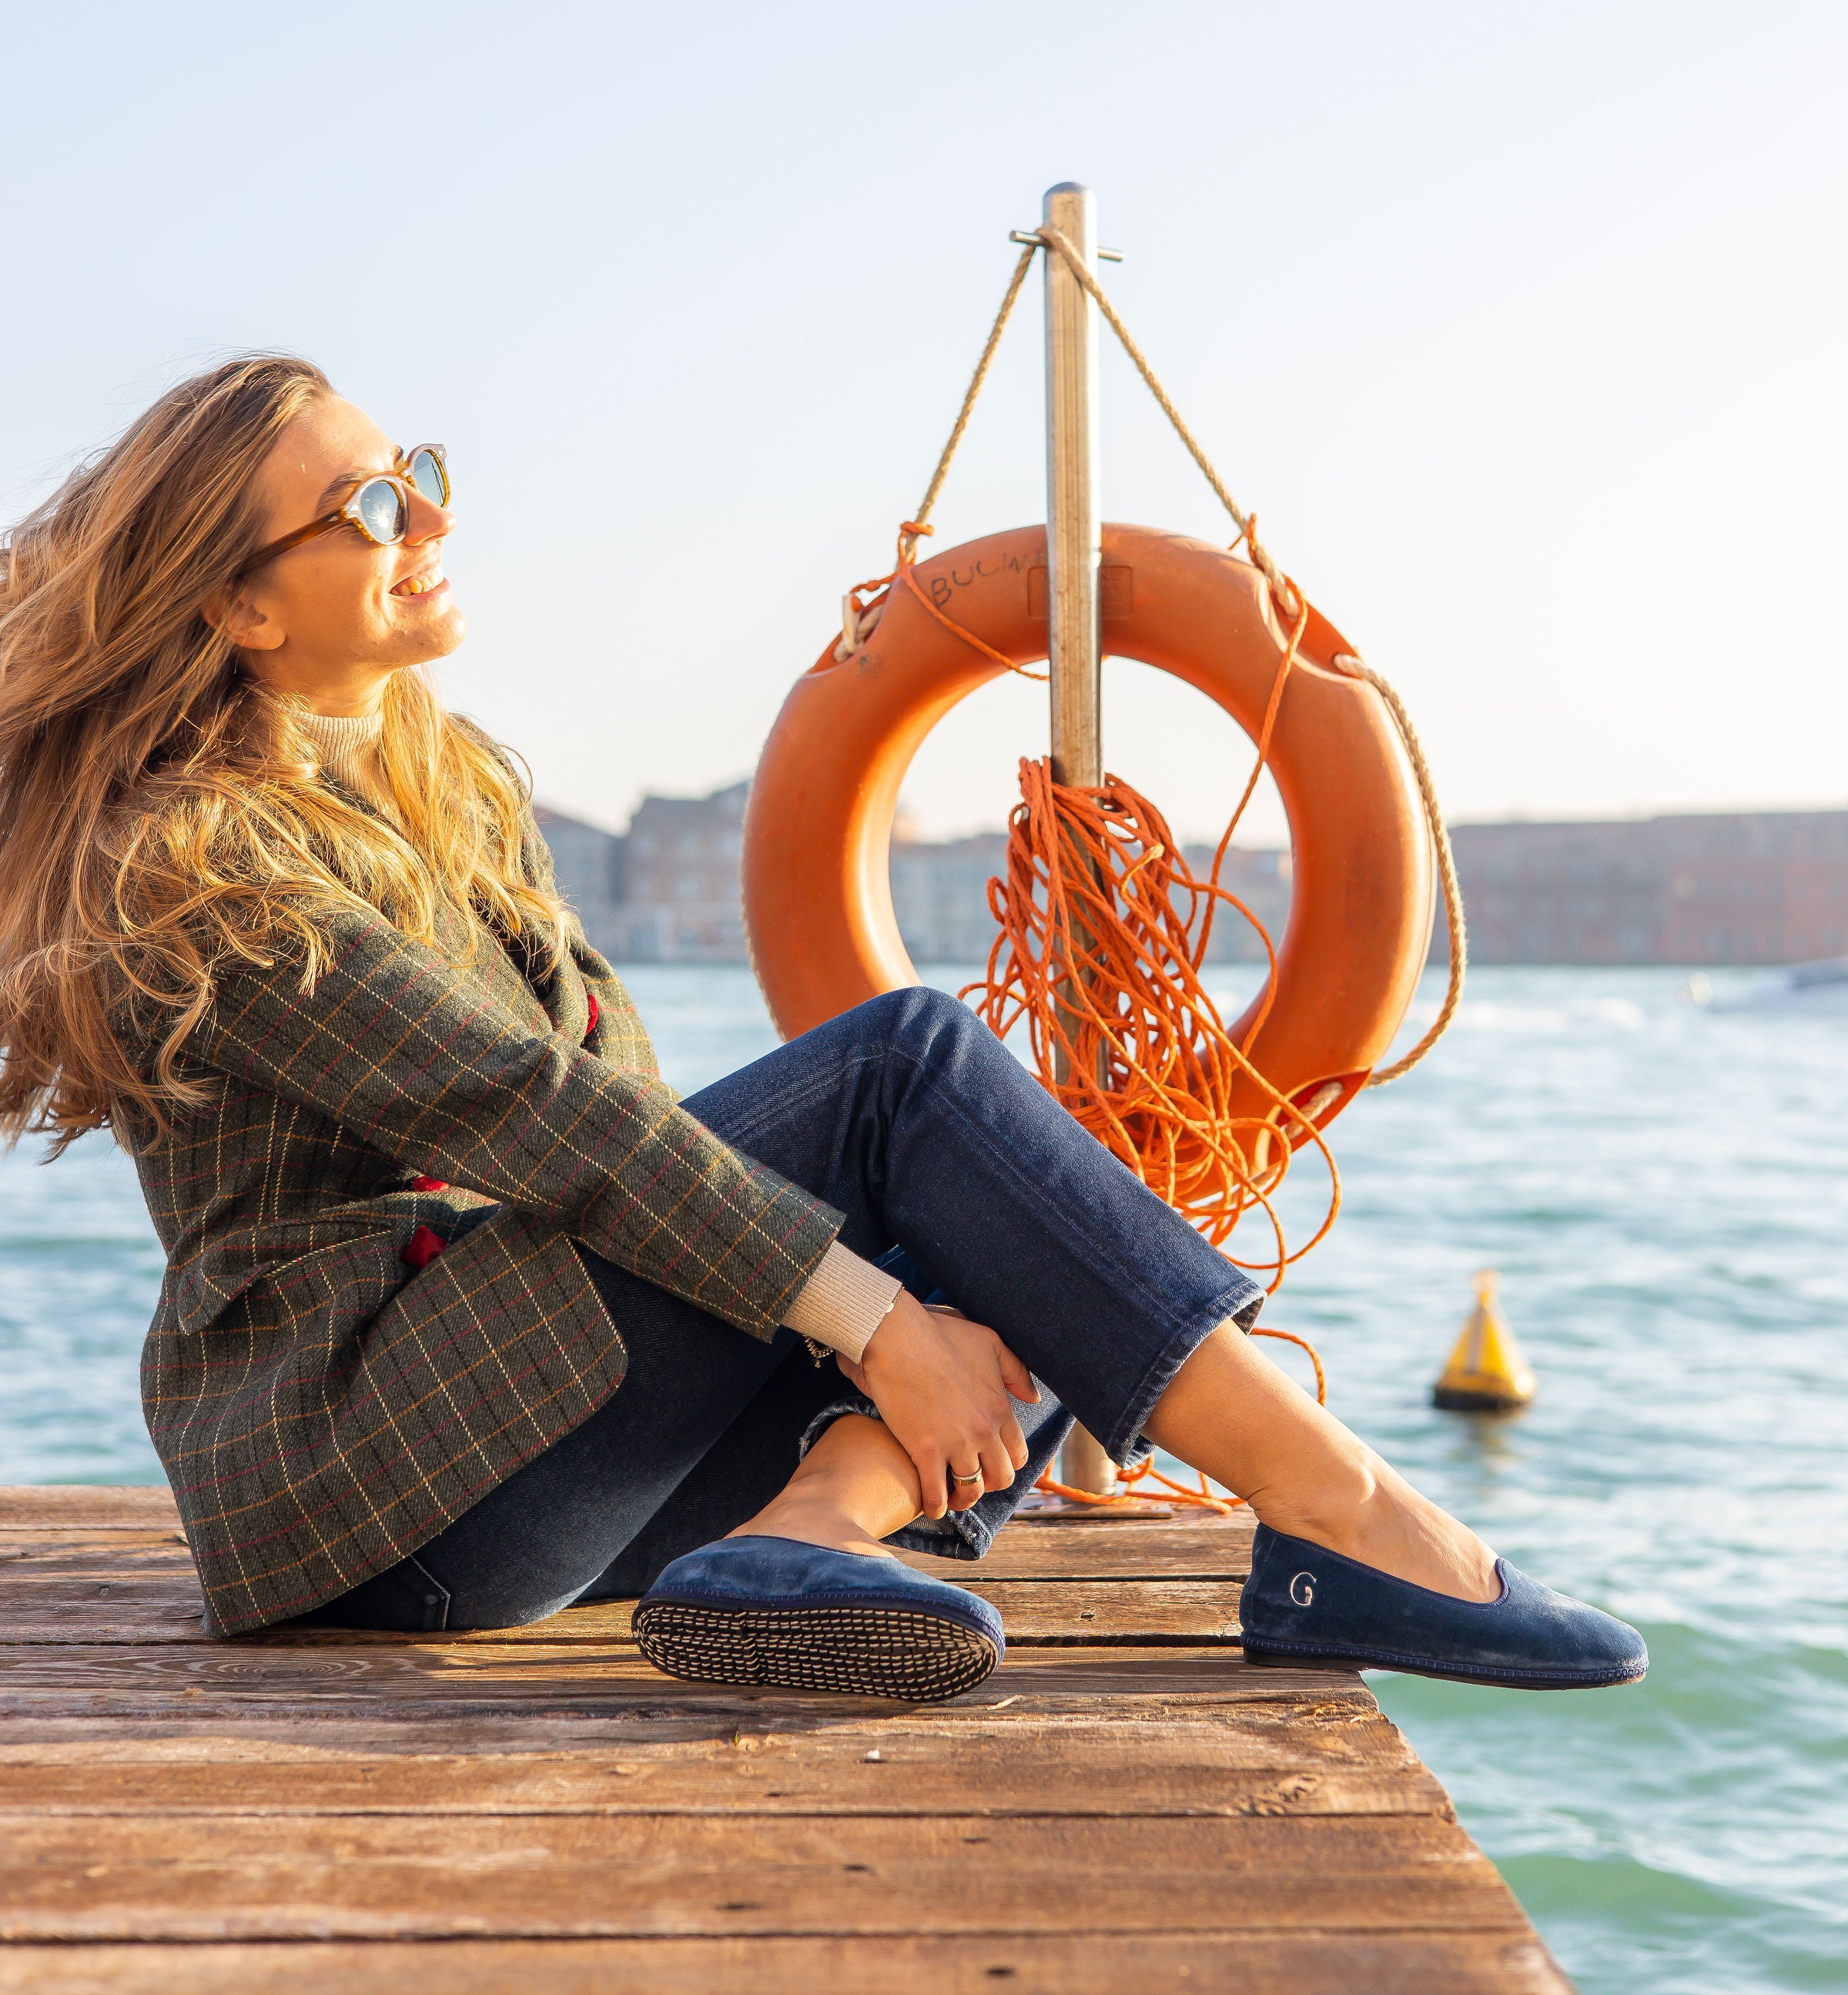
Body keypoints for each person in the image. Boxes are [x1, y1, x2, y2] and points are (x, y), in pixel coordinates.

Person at [0, 356, 1645, 1702]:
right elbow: (533, 1114)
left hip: (549, 1455)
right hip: (366, 1493)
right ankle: (1345, 1513)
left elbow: (623, 1109)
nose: (428, 513)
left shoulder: (447, 774)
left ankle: (819, 1526)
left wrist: (887, 1307)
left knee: (1033, 1219)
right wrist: (877, 1324)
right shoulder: (187, 863)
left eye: (415, 465)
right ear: (242, 609)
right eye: (369, 504)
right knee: (905, 1070)